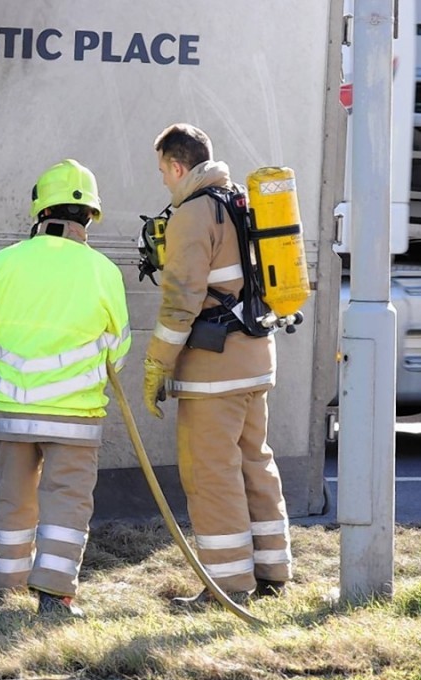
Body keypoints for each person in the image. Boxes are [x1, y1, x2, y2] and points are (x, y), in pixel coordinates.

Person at [0, 159, 131, 618]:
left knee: (15, 497)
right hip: (73, 416)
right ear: (88, 218)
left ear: (41, 212)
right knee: (66, 502)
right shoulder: (102, 271)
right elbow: (119, 350)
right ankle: (54, 595)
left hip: (12, 411)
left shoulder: (5, 261)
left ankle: (7, 585)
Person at [143, 123, 292, 608]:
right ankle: (273, 571)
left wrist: (156, 365)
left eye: (164, 171)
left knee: (212, 473)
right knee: (255, 462)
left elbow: (181, 301)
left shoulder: (193, 213)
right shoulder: (239, 203)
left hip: (214, 369)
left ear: (179, 166)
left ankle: (228, 586)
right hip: (255, 360)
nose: (164, 181)